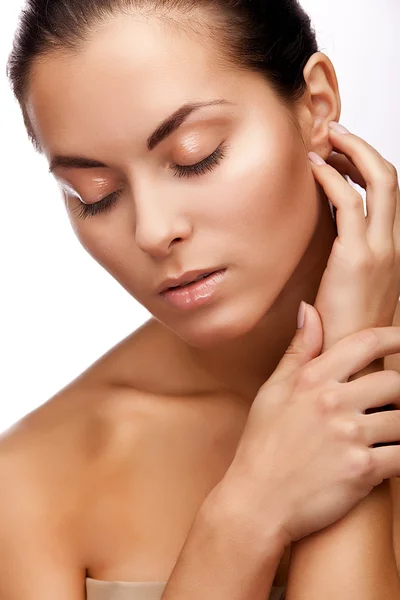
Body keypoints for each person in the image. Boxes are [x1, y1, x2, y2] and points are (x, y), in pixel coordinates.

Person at [2, 0, 400, 599]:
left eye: (195, 156)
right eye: (96, 195)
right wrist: (244, 515)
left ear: (316, 106)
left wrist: (345, 369)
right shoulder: (32, 483)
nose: (152, 231)